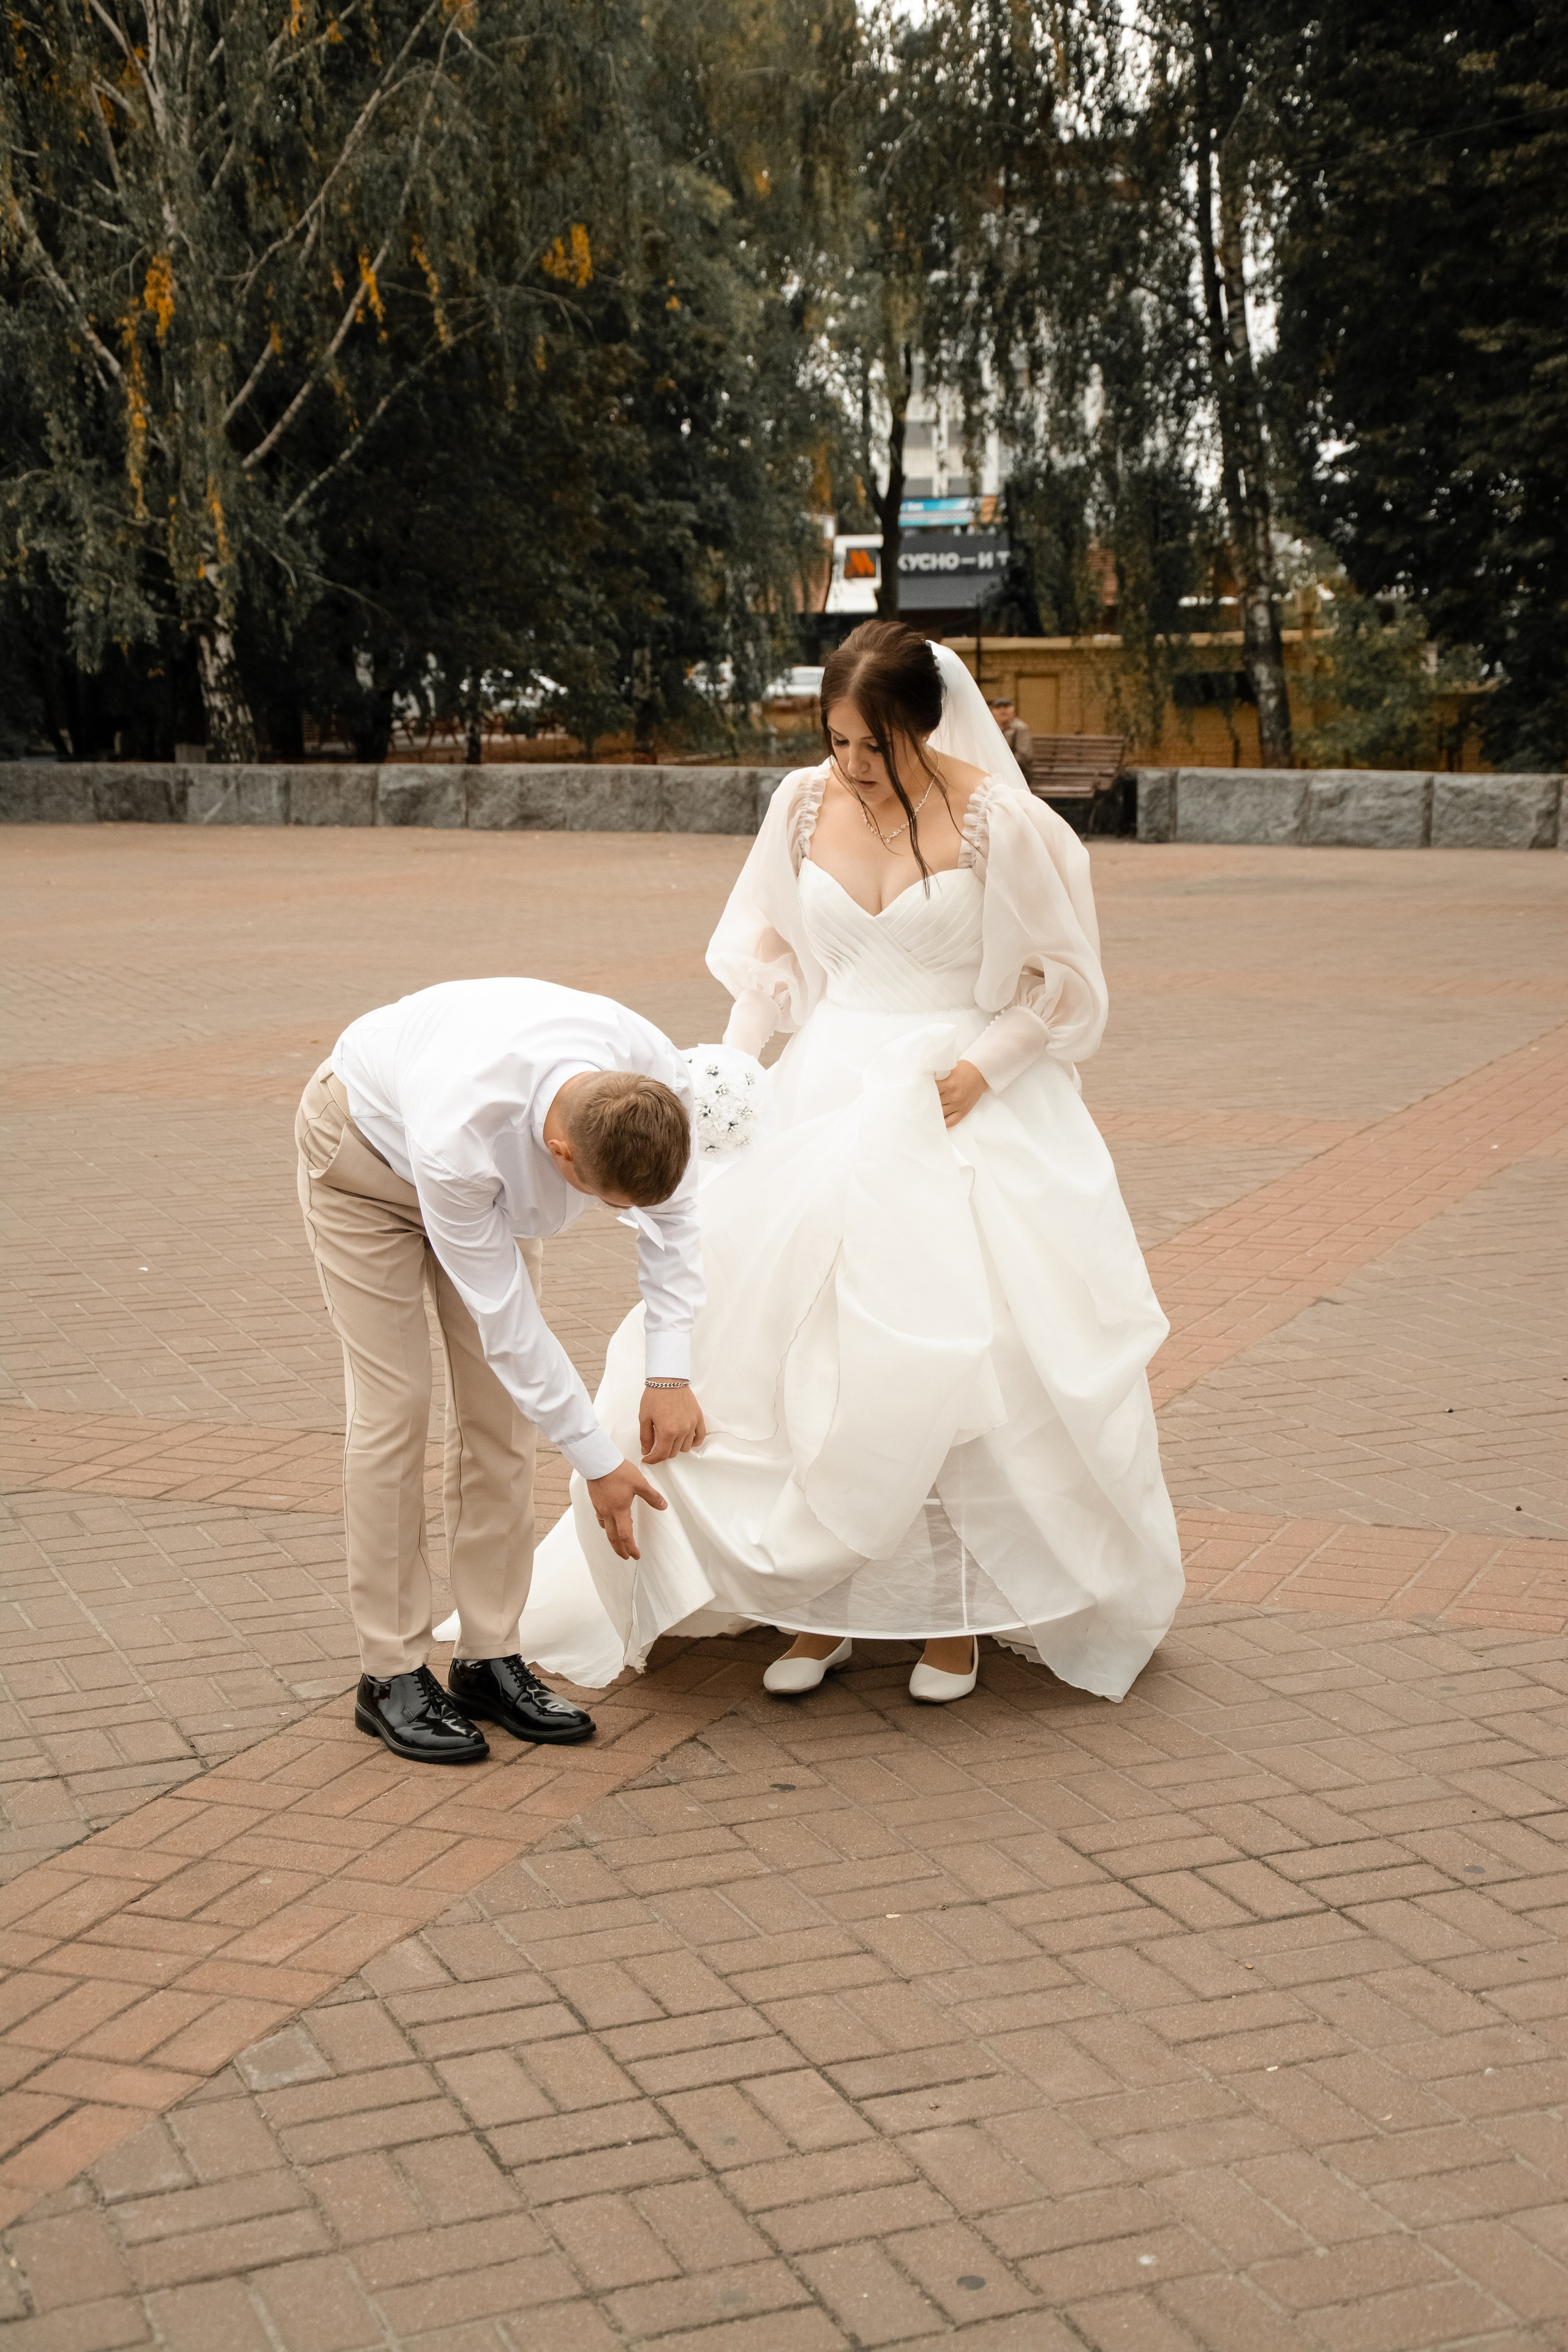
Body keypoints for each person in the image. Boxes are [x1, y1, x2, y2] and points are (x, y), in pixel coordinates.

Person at [508, 620, 1183, 1707]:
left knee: (959, 1352)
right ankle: (815, 1607)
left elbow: (1059, 983)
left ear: (925, 724)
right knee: (788, 1345)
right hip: (823, 1089)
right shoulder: (802, 803)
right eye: (836, 741)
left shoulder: (1002, 823)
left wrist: (980, 1072)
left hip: (954, 1098)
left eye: (874, 747)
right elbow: (772, 965)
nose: (853, 767)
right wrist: (722, 1085)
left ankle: (954, 1619)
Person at [295, 979, 705, 1763]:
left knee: (503, 1418)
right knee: (395, 1409)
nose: (617, 1217)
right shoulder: (463, 1137)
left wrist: (668, 1373)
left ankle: (488, 1655)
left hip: (480, 1170)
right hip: (364, 1159)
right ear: (561, 1154)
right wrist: (596, 1460)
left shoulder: (658, 1082)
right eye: (607, 1203)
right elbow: (509, 1329)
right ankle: (389, 1673)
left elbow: (676, 1228)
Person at [988, 692, 1034, 772]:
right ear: (992, 711)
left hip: (1017, 771)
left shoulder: (1020, 728)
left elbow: (1024, 756)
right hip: (993, 770)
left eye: (1006, 707)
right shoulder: (989, 728)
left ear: (1013, 710)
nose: (1003, 710)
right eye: (998, 708)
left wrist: (1001, 763)